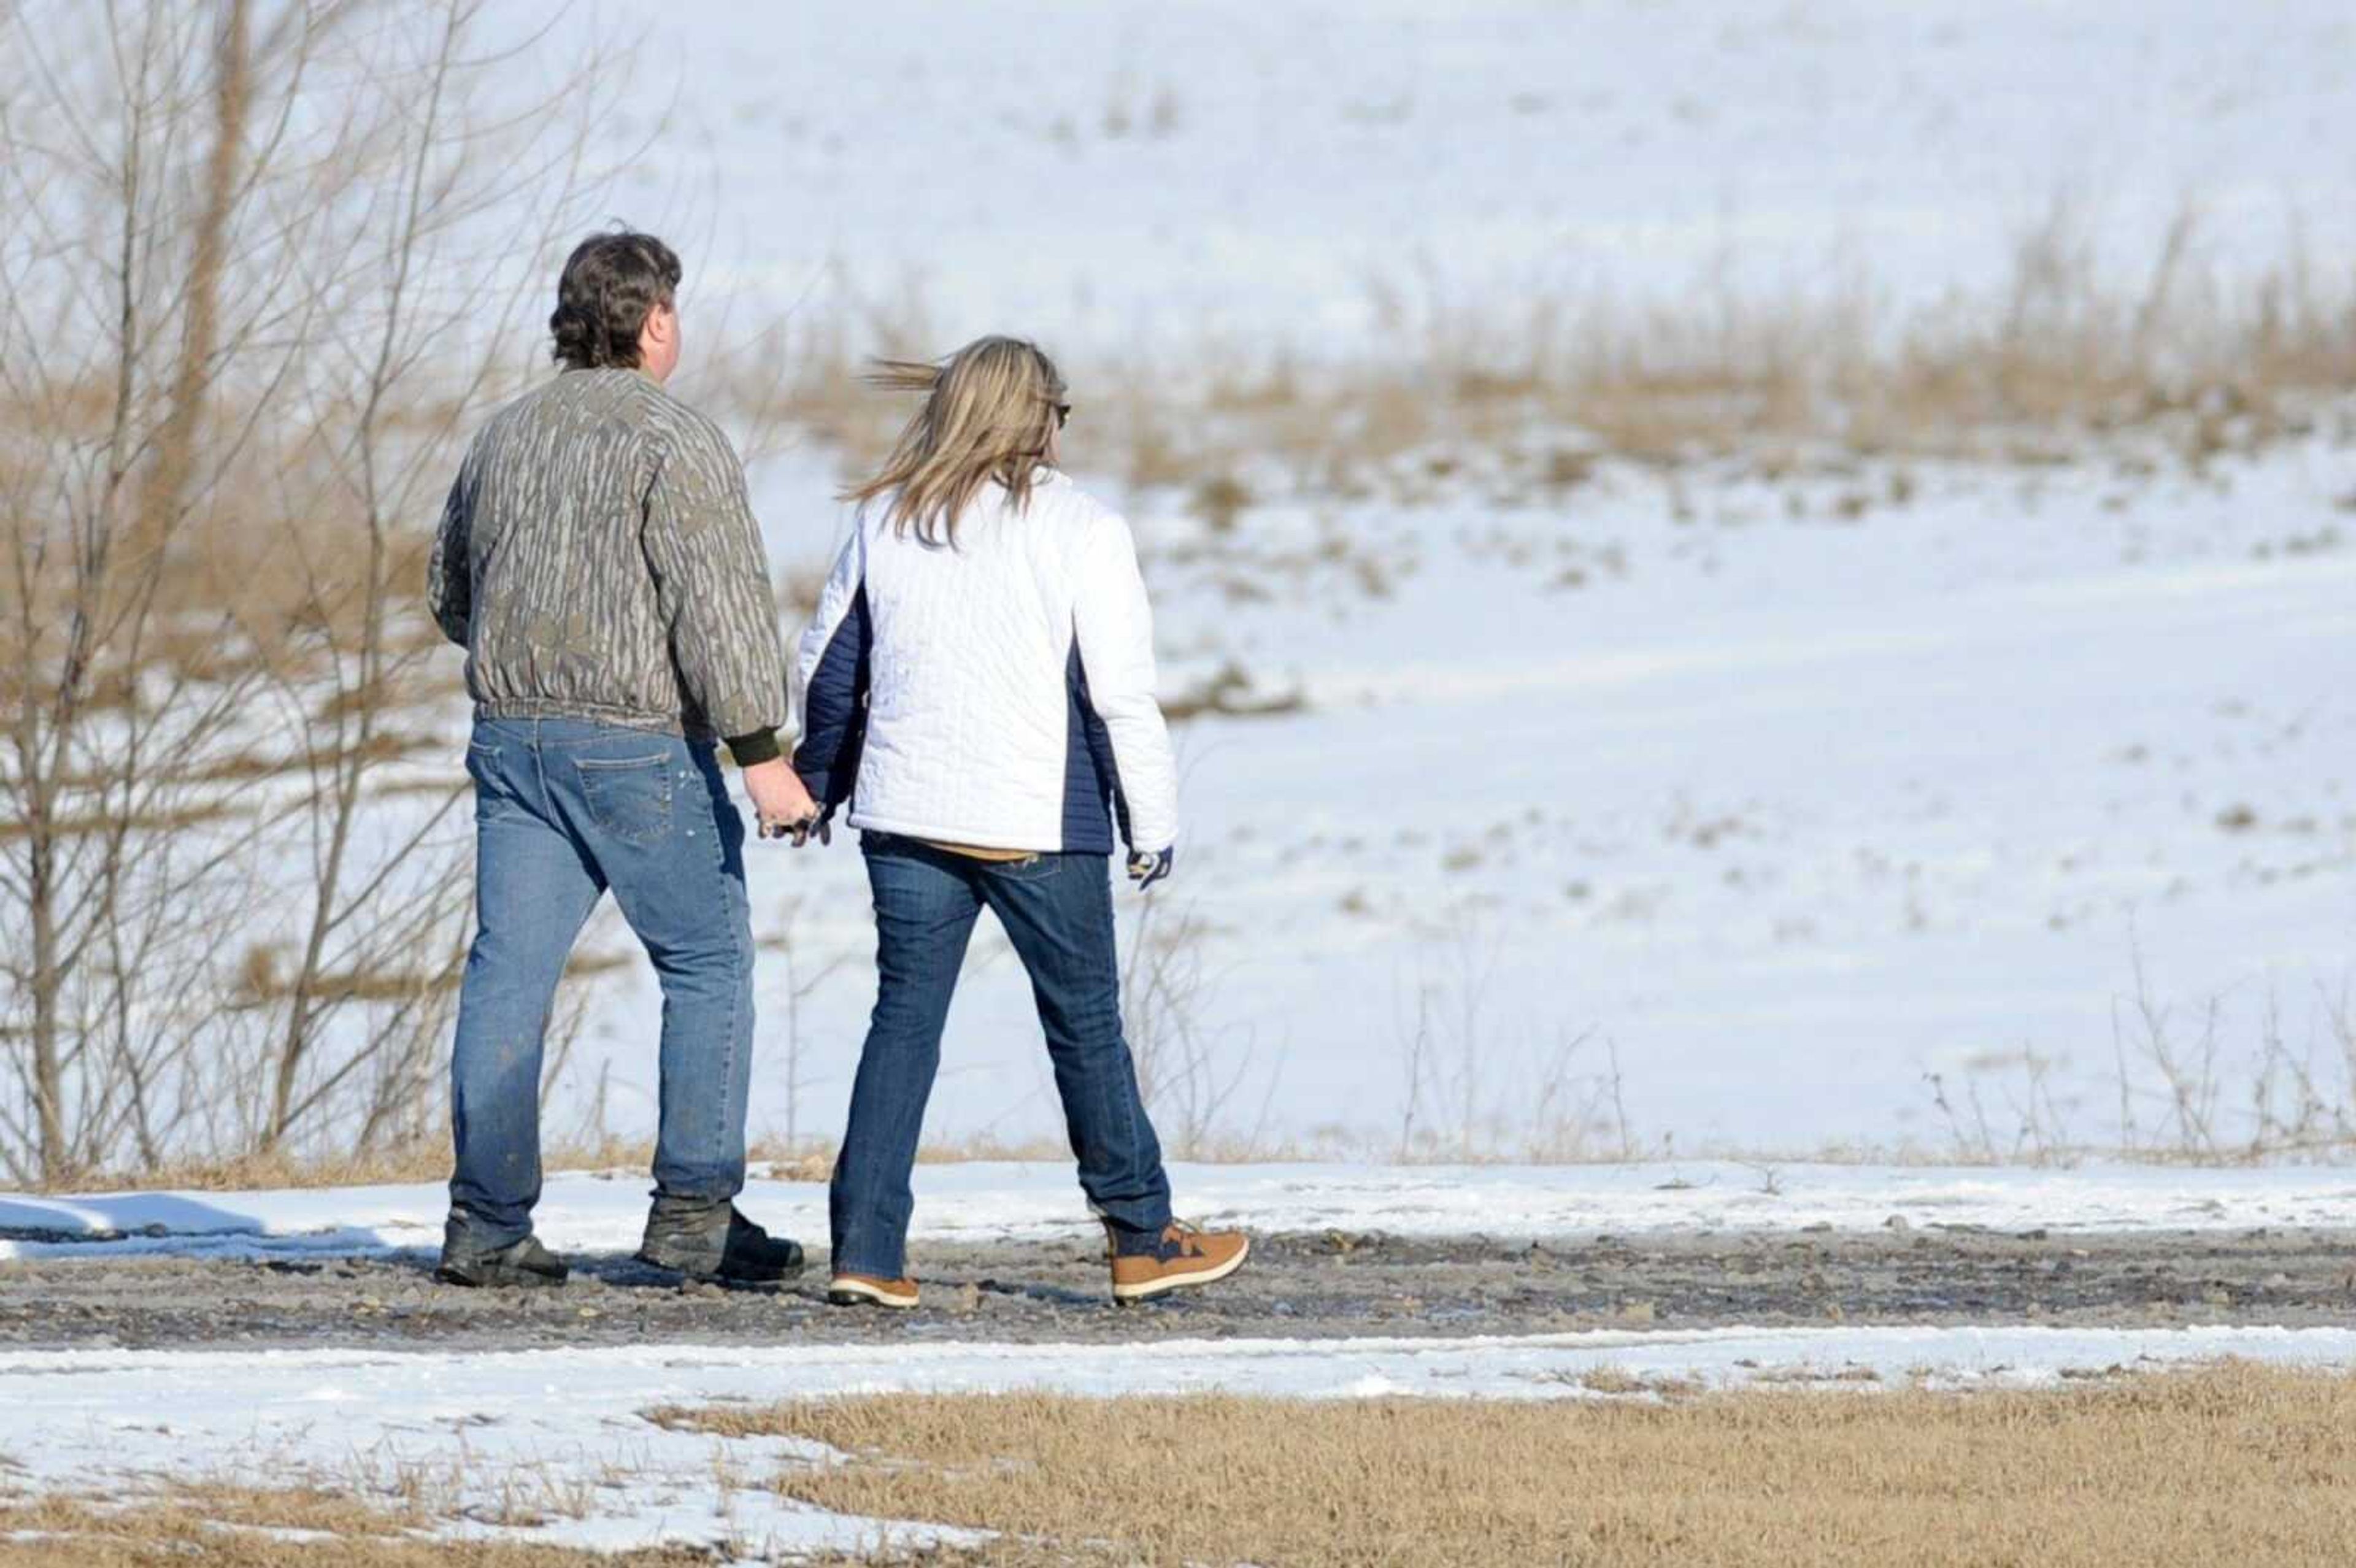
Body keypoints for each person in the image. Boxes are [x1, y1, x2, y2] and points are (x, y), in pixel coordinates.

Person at [792, 336, 1249, 1309]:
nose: (1061, 426)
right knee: (1085, 1029)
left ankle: (866, 1254)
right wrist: (1150, 824)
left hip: (906, 816)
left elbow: (830, 666)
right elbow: (1119, 692)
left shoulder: (888, 517)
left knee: (902, 1024)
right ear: (1032, 416)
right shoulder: (1083, 526)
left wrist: (819, 785)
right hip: (1036, 821)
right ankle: (1140, 1237)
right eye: (1060, 409)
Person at [425, 230, 817, 1288]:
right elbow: (720, 605)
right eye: (673, 312)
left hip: (513, 742)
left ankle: (488, 1224)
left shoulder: (502, 436)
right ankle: (694, 1213)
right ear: (653, 322)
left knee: (507, 975)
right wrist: (761, 754)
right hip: (640, 750)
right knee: (707, 964)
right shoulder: (672, 438)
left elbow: (449, 594)